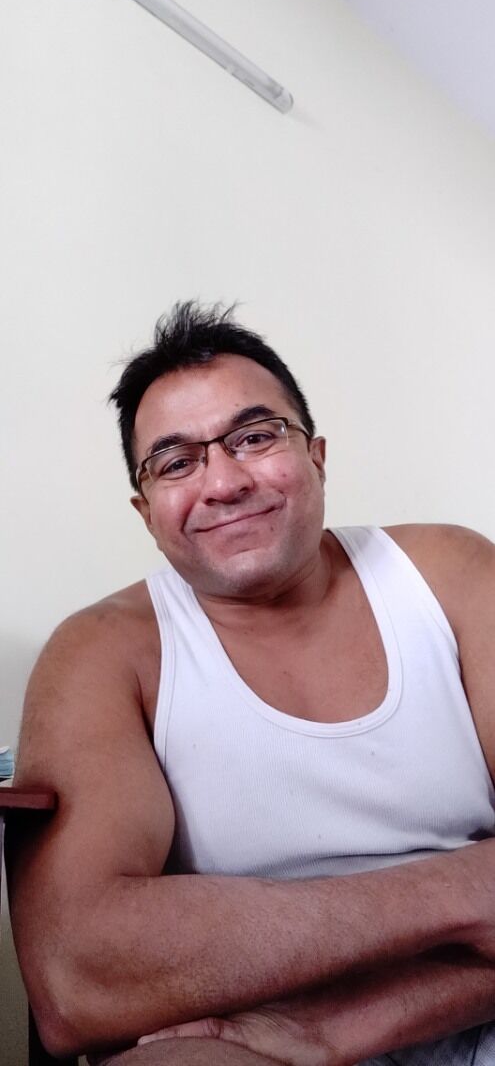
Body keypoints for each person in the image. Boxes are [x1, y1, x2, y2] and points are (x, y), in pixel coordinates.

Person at [7, 301, 495, 1066]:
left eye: (255, 437)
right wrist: (466, 891)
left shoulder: (450, 575)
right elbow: (79, 982)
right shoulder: (102, 652)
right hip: (240, 1039)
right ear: (146, 512)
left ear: (317, 457)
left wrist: (338, 1026)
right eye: (176, 462)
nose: (225, 482)